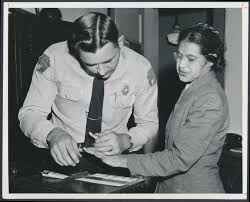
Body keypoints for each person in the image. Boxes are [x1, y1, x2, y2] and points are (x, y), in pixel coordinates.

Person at [85, 23, 230, 193]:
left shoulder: (209, 98)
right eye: (179, 56)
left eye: (191, 59)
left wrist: (120, 160)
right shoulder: (194, 88)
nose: (181, 65)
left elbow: (179, 158)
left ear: (210, 61)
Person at [18, 12, 158, 174]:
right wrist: (52, 134)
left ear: (120, 43)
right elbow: (30, 113)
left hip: (116, 160)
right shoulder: (54, 57)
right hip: (61, 159)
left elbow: (149, 123)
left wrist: (126, 140)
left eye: (108, 61)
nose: (101, 71)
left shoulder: (140, 68)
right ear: (75, 50)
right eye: (90, 64)